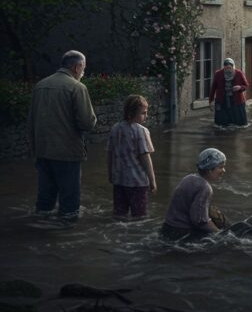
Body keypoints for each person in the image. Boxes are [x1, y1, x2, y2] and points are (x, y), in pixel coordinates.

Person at [27, 50, 97, 220]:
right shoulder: (77, 87)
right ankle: (65, 236)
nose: (83, 72)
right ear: (77, 67)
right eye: (84, 68)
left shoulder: (40, 85)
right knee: (69, 205)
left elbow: (31, 121)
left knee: (44, 201)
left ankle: (38, 236)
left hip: (42, 151)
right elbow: (87, 123)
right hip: (67, 153)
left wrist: (34, 150)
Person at [160, 148, 227, 242]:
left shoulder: (189, 178)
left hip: (167, 228)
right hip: (182, 233)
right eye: (220, 167)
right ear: (210, 169)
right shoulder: (205, 187)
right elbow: (199, 220)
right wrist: (220, 234)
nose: (223, 170)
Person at [107, 95, 156, 218]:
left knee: (119, 215)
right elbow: (145, 157)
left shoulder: (115, 129)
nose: (146, 116)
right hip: (137, 183)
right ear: (131, 113)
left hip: (119, 181)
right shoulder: (141, 131)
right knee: (139, 217)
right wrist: (152, 180)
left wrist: (110, 174)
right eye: (143, 113)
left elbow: (109, 154)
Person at [208, 58, 248, 126]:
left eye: (230, 68)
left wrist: (240, 87)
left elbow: (246, 85)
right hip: (222, 99)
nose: (228, 70)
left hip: (236, 99)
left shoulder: (239, 73)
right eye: (226, 68)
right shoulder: (218, 74)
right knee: (221, 122)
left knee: (238, 122)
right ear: (224, 67)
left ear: (233, 67)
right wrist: (211, 101)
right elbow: (213, 88)